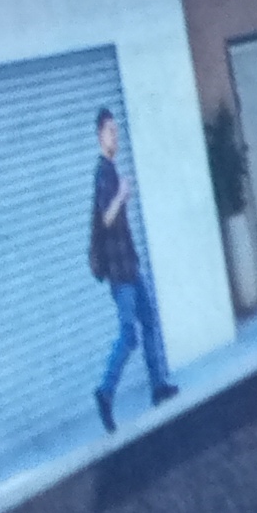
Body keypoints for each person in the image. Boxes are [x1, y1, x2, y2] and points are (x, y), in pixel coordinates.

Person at [87, 106, 176, 432]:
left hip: (130, 266)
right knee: (129, 334)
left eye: (117, 130)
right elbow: (106, 219)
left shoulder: (110, 170)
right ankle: (105, 392)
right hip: (119, 273)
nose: (116, 136)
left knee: (149, 322)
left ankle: (158, 386)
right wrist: (122, 195)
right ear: (100, 136)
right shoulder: (103, 173)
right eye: (111, 131)